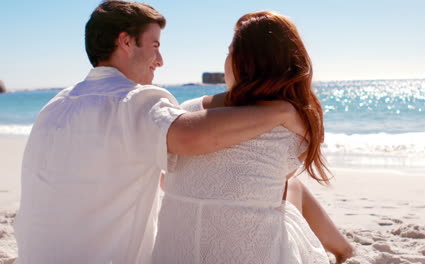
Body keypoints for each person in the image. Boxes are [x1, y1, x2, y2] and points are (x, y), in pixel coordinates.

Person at [13, 2, 306, 264]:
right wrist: (281, 112)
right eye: (154, 45)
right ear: (125, 42)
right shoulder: (132, 102)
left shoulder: (56, 105)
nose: (161, 59)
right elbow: (191, 137)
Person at [154, 11, 346, 263]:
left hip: (172, 255)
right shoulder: (298, 127)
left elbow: (167, 180)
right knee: (289, 187)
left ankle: (344, 249)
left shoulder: (188, 111)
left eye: (230, 50)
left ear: (242, 62)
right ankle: (344, 250)